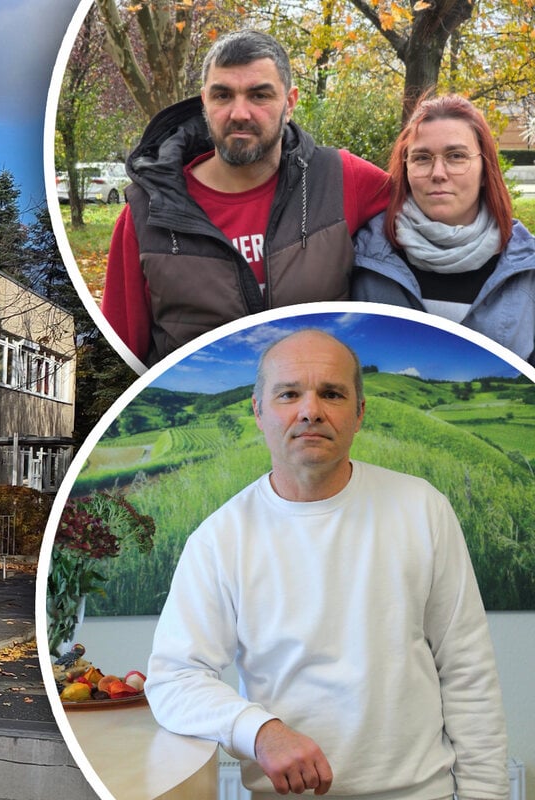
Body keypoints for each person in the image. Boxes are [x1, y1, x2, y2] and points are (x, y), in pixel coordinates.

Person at [145, 329, 508, 799]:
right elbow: (174, 679)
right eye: (288, 394)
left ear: (359, 413)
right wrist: (259, 731)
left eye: (332, 394)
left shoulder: (422, 507)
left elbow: (467, 670)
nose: (310, 410)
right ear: (258, 411)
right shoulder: (219, 538)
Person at [99, 30, 390, 367]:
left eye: (259, 95)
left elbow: (432, 210)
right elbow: (116, 361)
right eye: (223, 95)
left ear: (289, 103)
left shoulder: (340, 178)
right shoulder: (148, 211)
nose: (239, 113)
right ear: (205, 103)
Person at [353, 94, 535, 361]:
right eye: (422, 158)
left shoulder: (527, 270)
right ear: (406, 169)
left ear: (485, 171)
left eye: (456, 156)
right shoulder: (362, 257)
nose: (438, 173)